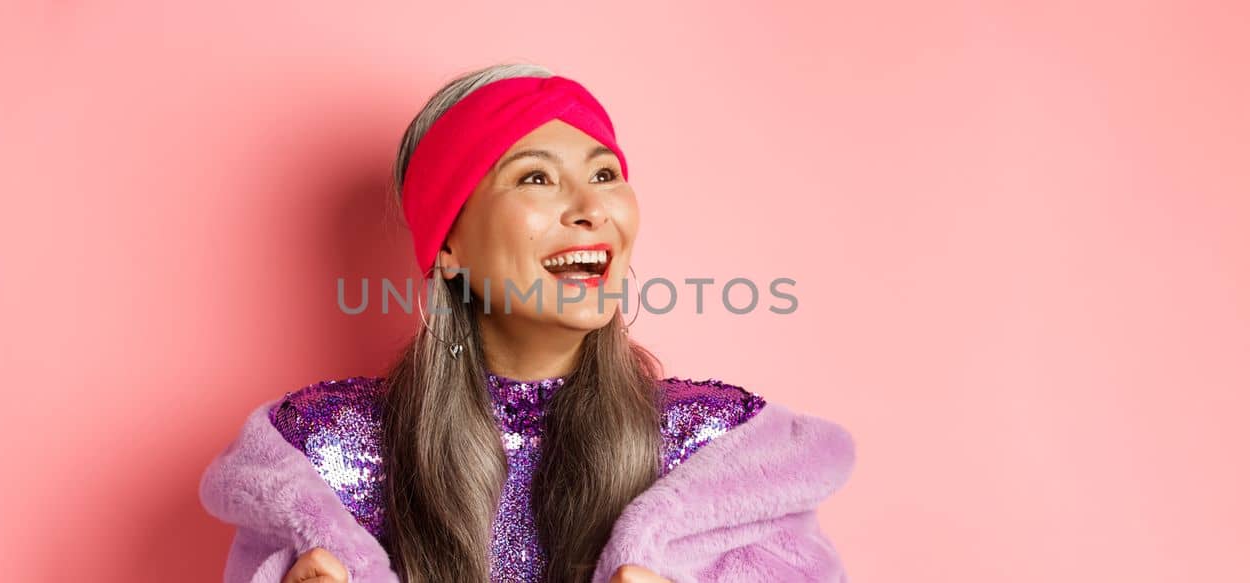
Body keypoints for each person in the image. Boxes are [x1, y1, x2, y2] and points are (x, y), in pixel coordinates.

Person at [199, 63, 857, 583]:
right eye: (537, 178)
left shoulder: (722, 450)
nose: (590, 207)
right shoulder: (321, 456)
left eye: (604, 173)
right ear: (448, 246)